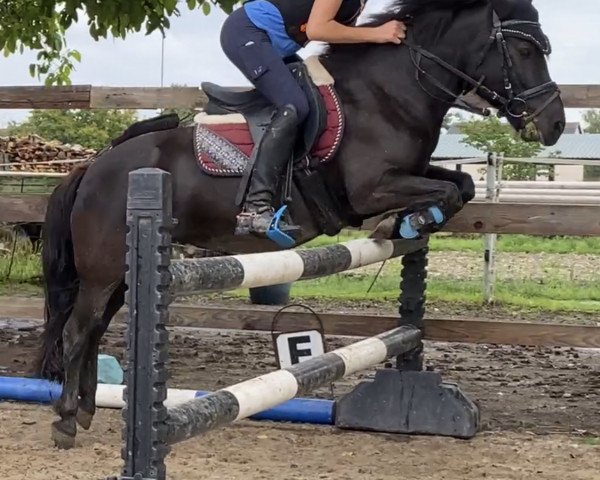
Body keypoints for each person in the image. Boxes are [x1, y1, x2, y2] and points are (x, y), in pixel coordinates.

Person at [220, 0, 407, 240]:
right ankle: (255, 208)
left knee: (315, 98)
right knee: (294, 106)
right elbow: (317, 30)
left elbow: (343, 37)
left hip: (275, 44)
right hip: (247, 33)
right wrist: (378, 33)